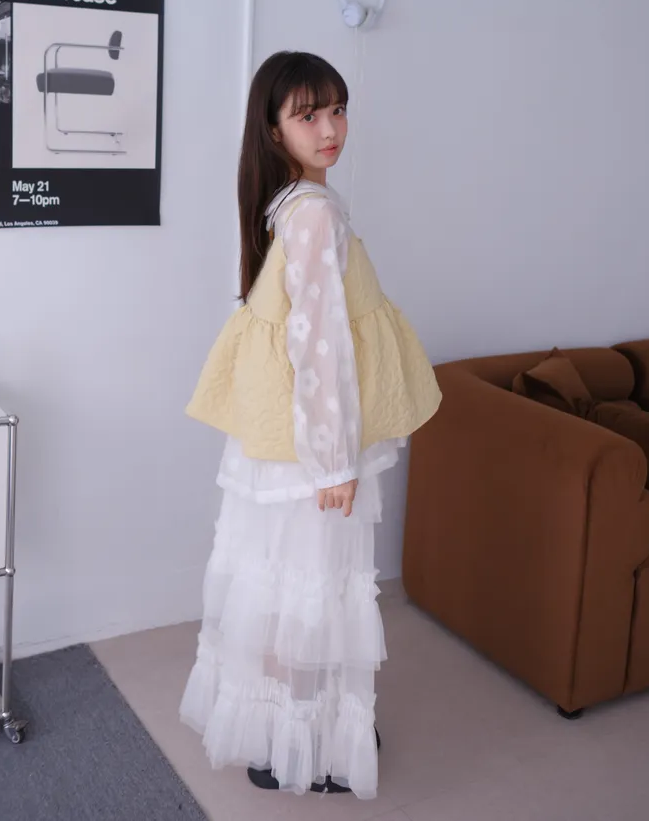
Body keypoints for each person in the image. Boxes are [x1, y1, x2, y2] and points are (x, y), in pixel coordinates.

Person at [180, 51, 442, 798]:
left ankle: (279, 737)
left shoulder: (292, 202)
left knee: (283, 585)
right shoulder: (315, 213)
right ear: (275, 130)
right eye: (308, 115)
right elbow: (320, 344)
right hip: (314, 446)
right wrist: (334, 463)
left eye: (337, 109)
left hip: (283, 439)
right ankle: (302, 746)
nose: (330, 129)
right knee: (311, 589)